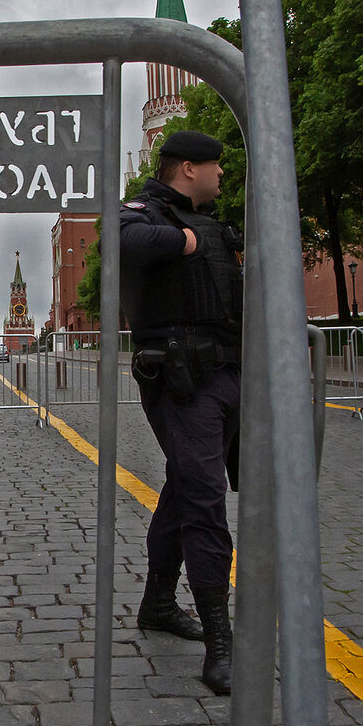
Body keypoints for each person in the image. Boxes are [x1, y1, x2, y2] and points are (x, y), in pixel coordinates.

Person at [118, 130, 242, 696]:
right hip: (181, 380)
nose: (223, 175)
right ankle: (222, 643)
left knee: (186, 485)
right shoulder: (142, 212)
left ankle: (159, 603)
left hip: (231, 374)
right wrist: (186, 242)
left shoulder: (216, 220)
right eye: (215, 166)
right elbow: (124, 241)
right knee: (203, 497)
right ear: (188, 168)